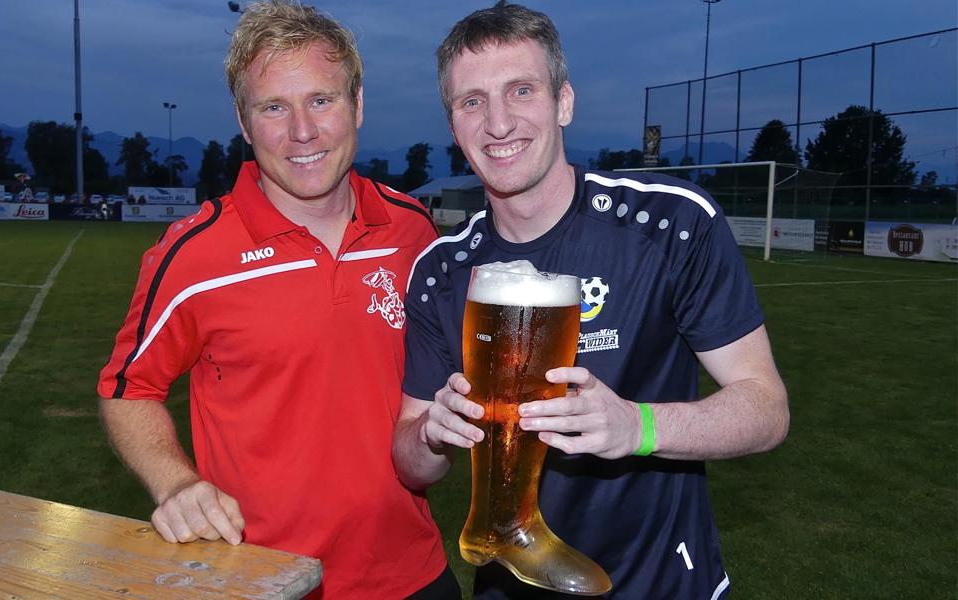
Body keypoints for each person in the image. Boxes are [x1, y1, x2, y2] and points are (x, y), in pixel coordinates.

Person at [392, 2, 789, 598]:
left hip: (662, 582)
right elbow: (407, 462)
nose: (498, 123)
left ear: (564, 102)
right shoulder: (441, 273)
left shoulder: (667, 224)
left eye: (521, 90)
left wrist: (639, 425)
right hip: (509, 583)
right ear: (454, 124)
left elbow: (765, 409)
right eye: (472, 101)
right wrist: (429, 435)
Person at [97, 2, 456, 598]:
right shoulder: (194, 255)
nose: (302, 132)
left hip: (412, 574)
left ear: (358, 105)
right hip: (263, 581)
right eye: (273, 107)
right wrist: (174, 482)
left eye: (321, 99)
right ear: (244, 121)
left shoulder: (413, 233)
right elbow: (126, 389)